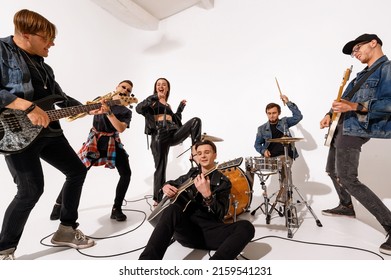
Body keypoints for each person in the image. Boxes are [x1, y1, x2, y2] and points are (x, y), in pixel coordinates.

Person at [0, 9, 96, 260]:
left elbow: (60, 98)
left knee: (77, 171)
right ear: (26, 35)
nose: (52, 44)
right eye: (47, 38)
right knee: (30, 191)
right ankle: (4, 249)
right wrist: (26, 106)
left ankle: (66, 229)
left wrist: (90, 107)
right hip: (15, 134)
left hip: (49, 131)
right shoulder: (1, 50)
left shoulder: (44, 66)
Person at [319, 33, 391, 255]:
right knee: (332, 170)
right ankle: (346, 205)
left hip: (356, 128)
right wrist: (330, 114)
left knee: (348, 178)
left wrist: (354, 107)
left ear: (373, 43)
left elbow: (388, 104)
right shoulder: (360, 74)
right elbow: (345, 99)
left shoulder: (386, 69)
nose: (355, 53)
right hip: (341, 126)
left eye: (357, 48)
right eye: (353, 52)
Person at [139, 140, 255, 260]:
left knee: (246, 227)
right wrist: (165, 186)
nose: (203, 156)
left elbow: (221, 214)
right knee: (172, 209)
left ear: (215, 155)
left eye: (207, 152)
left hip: (209, 233)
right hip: (187, 232)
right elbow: (173, 183)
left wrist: (207, 194)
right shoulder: (192, 174)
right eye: (199, 153)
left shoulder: (223, 182)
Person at [49, 80, 134, 222]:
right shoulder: (100, 100)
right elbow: (85, 111)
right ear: (116, 87)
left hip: (112, 143)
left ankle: (116, 208)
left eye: (129, 90)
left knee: (126, 173)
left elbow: (120, 128)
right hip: (95, 142)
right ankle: (58, 204)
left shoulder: (126, 111)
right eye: (123, 87)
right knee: (75, 173)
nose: (125, 90)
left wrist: (109, 113)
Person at [136, 77, 202, 205]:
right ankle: (157, 199)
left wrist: (179, 109)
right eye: (158, 84)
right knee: (161, 167)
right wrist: (153, 97)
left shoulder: (168, 105)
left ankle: (196, 152)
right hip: (159, 136)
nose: (161, 86)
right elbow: (138, 108)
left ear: (167, 88)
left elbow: (175, 120)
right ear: (156, 87)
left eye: (164, 85)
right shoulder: (152, 101)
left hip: (172, 134)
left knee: (196, 121)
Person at [254, 95, 303, 200]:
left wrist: (288, 102)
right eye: (269, 113)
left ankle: (286, 199)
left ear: (279, 113)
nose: (271, 116)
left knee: (284, 165)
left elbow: (298, 117)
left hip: (285, 156)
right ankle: (247, 198)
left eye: (274, 113)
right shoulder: (261, 129)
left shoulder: (284, 122)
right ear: (266, 113)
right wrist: (263, 150)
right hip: (271, 158)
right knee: (250, 166)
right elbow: (257, 144)